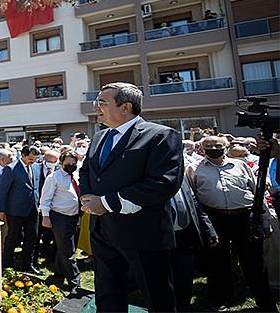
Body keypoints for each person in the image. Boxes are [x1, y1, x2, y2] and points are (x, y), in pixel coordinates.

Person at [79, 82, 183, 312]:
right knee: (108, 293)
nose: (96, 107)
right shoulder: (99, 137)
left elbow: (163, 184)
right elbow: (87, 170)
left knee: (157, 298)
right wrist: (87, 197)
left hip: (144, 233)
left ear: (125, 107)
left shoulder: (161, 135)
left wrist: (105, 203)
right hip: (102, 231)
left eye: (102, 103)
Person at [186, 136, 276, 311]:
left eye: (217, 145)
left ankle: (265, 302)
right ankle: (220, 298)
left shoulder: (241, 165)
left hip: (245, 217)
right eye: (208, 146)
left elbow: (256, 194)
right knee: (217, 262)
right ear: (202, 149)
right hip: (215, 219)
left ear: (226, 147)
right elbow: (193, 198)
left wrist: (265, 220)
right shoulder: (194, 169)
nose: (213, 148)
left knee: (254, 262)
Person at [170, 174, 217, 312]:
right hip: (160, 238)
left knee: (184, 277)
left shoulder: (182, 176)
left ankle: (183, 307)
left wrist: (209, 229)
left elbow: (194, 202)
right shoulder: (150, 175)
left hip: (184, 236)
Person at [39, 151, 81, 296]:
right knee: (68, 250)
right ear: (61, 163)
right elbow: (45, 199)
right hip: (60, 217)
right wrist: (45, 217)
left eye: (73, 163)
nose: (71, 166)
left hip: (74, 217)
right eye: (68, 163)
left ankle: (58, 271)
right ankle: (75, 282)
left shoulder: (76, 175)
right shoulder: (54, 177)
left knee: (65, 248)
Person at [0, 145, 41, 273]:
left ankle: (28, 264)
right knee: (13, 237)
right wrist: (0, 209)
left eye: (35, 159)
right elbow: (2, 190)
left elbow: (37, 186)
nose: (33, 162)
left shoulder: (37, 167)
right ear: (23, 155)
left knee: (32, 236)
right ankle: (7, 263)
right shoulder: (10, 169)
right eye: (31, 159)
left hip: (33, 208)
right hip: (15, 210)